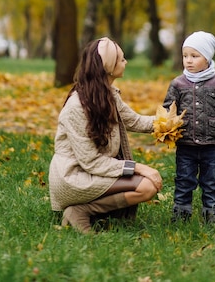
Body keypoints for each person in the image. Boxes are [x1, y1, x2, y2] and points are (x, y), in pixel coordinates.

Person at [49, 37, 163, 233]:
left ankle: (86, 211)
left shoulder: (107, 94)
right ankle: (80, 211)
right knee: (146, 185)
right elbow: (91, 162)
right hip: (74, 177)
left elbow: (134, 121)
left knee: (148, 185)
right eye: (121, 59)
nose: (125, 62)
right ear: (108, 67)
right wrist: (139, 168)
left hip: (93, 171)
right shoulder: (76, 107)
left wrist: (169, 123)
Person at [163, 31, 215, 224]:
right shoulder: (178, 84)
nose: (188, 60)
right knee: (184, 179)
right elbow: (168, 108)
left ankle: (212, 214)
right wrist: (166, 124)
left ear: (207, 57)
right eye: (185, 55)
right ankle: (181, 215)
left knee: (211, 181)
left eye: (195, 56)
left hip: (212, 144)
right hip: (186, 143)